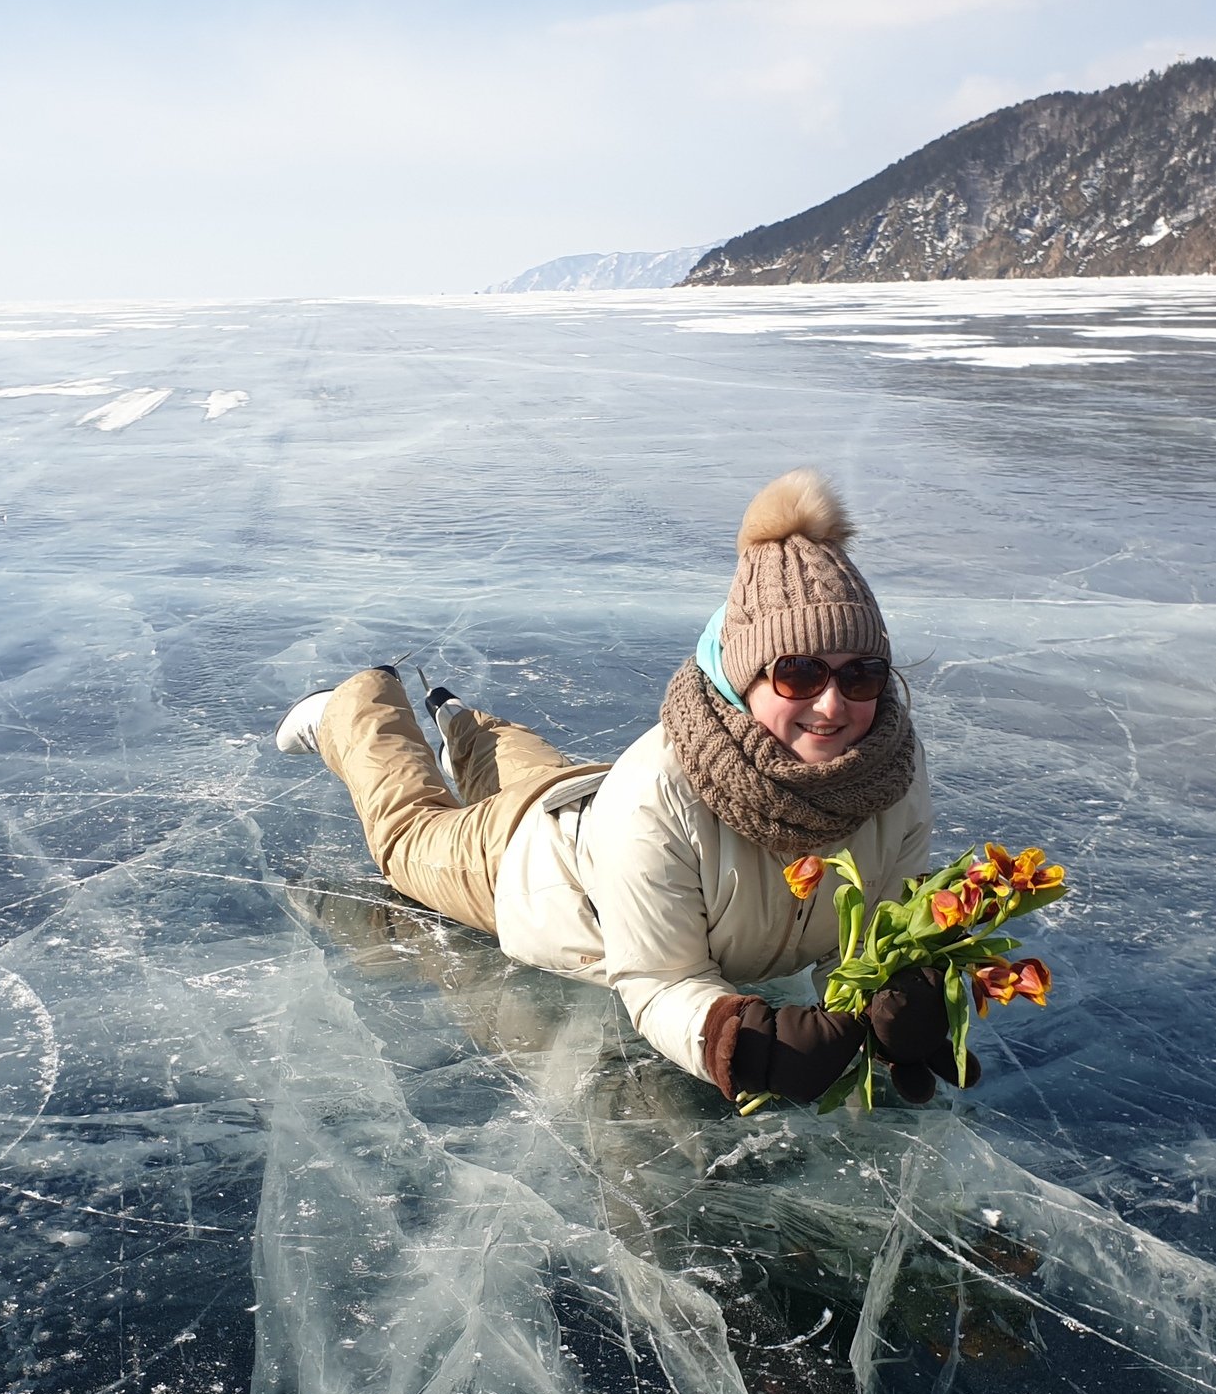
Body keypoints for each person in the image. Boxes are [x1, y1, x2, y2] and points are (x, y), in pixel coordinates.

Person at [274, 470, 967, 1107]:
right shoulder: (659, 788)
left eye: (860, 675)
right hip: (524, 863)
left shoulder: (890, 772)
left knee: (541, 774)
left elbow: (881, 920)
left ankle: (460, 721)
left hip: (587, 801)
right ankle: (356, 702)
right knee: (407, 835)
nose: (832, 706)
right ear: (742, 678)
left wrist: (903, 991)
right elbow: (660, 979)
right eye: (798, 674)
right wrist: (736, 1037)